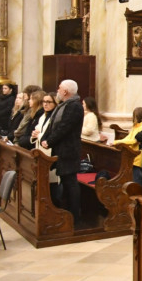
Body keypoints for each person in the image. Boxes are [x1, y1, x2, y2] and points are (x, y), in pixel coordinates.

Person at [40, 80, 85, 221]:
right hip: (61, 149)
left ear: (65, 91)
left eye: (59, 88)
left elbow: (64, 127)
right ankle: (66, 212)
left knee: (70, 181)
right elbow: (52, 124)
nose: (57, 90)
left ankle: (74, 215)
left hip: (69, 151)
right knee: (66, 180)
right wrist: (44, 138)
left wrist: (50, 141)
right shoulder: (63, 105)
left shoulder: (75, 106)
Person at [110, 107, 142, 184]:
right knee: (133, 176)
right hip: (131, 154)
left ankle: (138, 190)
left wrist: (117, 142)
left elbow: (134, 140)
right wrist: (117, 142)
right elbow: (128, 137)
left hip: (137, 154)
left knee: (137, 177)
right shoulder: (136, 126)